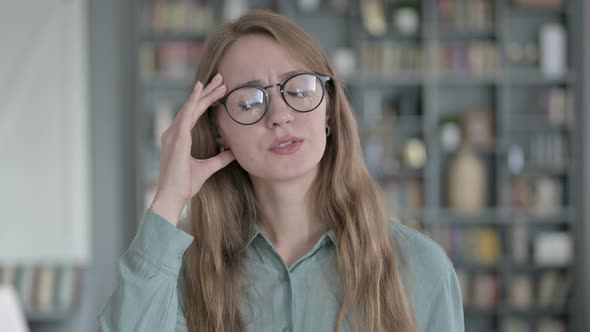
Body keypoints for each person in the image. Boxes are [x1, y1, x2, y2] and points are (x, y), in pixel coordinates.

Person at [97, 9, 463, 332]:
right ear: (220, 131)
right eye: (249, 101)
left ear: (330, 112)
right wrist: (168, 199)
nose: (280, 116)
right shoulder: (183, 276)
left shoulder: (420, 267)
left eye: (300, 89)